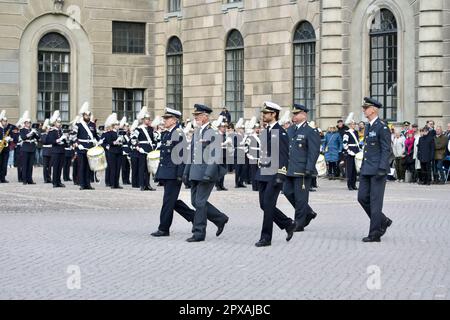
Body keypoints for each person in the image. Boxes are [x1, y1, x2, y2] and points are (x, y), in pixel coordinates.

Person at [182, 104, 229, 242]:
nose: (195, 118)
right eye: (195, 116)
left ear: (205, 116)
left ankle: (199, 232)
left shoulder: (213, 132)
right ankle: (220, 218)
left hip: (206, 173)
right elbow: (192, 154)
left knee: (200, 202)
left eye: (198, 116)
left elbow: (215, 155)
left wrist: (209, 174)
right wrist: (186, 172)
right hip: (195, 172)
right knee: (195, 202)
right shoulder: (197, 132)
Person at [254, 102, 296, 247]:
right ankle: (288, 224)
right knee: (264, 205)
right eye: (263, 113)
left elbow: (284, 156)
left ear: (274, 115)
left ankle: (266, 238)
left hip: (274, 175)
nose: (263, 115)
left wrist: (281, 175)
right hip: (263, 173)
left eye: (266, 113)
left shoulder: (281, 132)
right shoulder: (266, 131)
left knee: (268, 205)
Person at [151, 108, 196, 237]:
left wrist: (179, 175)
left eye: (167, 118)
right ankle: (195, 217)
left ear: (174, 120)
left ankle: (163, 228)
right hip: (166, 173)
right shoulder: (167, 133)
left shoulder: (178, 133)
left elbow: (181, 156)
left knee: (168, 202)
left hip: (173, 174)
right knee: (172, 202)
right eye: (164, 118)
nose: (164, 121)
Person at [358, 97, 393, 242]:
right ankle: (383, 220)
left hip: (378, 170)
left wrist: (382, 168)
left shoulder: (382, 127)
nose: (364, 110)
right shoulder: (369, 126)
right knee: (362, 198)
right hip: (367, 169)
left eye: (366, 108)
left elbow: (386, 149)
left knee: (375, 201)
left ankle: (375, 233)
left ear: (373, 109)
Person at [283, 103, 321, 233]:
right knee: (287, 192)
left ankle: (299, 223)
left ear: (304, 115)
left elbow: (313, 152)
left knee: (300, 198)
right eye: (293, 113)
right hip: (290, 168)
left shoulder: (310, 131)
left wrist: (309, 168)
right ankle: (308, 212)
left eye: (296, 113)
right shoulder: (291, 130)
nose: (294, 116)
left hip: (302, 169)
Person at [73, 102, 100, 190]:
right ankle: (82, 184)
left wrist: (98, 141)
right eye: (86, 115)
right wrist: (78, 144)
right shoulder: (78, 124)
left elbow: (95, 135)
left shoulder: (92, 125)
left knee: (89, 167)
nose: (87, 117)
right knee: (81, 166)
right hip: (81, 148)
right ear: (83, 115)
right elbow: (73, 136)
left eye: (89, 115)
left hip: (90, 148)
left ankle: (88, 184)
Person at [131, 107, 156, 191]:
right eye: (146, 119)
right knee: (142, 167)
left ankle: (147, 184)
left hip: (149, 149)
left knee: (148, 168)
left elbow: (153, 140)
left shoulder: (151, 129)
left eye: (149, 119)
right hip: (142, 149)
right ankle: (142, 184)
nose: (148, 120)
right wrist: (138, 148)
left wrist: (154, 147)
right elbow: (133, 139)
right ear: (143, 120)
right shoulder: (139, 129)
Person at [47, 111, 67, 188]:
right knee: (55, 167)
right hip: (55, 151)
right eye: (58, 122)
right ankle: (54, 182)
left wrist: (65, 140)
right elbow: (49, 140)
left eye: (60, 122)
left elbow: (64, 141)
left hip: (61, 150)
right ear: (55, 123)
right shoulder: (52, 131)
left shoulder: (60, 130)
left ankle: (59, 181)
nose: (59, 123)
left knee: (60, 167)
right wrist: (59, 140)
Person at [103, 113, 123, 189]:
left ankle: (117, 183)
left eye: (118, 124)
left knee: (118, 168)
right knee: (113, 168)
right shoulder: (109, 133)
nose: (118, 126)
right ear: (113, 125)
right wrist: (115, 142)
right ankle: (112, 183)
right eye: (116, 124)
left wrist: (121, 141)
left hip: (119, 151)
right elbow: (108, 142)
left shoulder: (120, 133)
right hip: (112, 151)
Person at [19, 111, 39, 185]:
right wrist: (30, 133)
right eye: (27, 123)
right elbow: (23, 137)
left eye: (29, 123)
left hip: (31, 148)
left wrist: (35, 133)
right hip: (25, 148)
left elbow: (38, 138)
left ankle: (29, 179)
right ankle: (24, 180)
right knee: (25, 165)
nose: (29, 124)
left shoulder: (31, 130)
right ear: (25, 123)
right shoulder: (22, 130)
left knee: (30, 165)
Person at [343, 114, 360, 190]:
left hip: (356, 152)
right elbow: (344, 144)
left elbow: (357, 143)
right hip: (350, 153)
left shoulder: (356, 132)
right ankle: (349, 185)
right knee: (350, 170)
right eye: (352, 124)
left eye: (354, 124)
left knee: (355, 170)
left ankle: (354, 184)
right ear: (349, 125)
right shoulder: (347, 133)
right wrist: (349, 151)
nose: (354, 125)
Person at [0, 110, 13, 183]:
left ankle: (3, 177)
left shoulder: (7, 128)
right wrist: (2, 140)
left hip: (6, 147)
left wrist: (9, 138)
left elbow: (12, 136)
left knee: (4, 164)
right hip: (0, 147)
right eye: (4, 121)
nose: (5, 122)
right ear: (1, 121)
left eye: (6, 121)